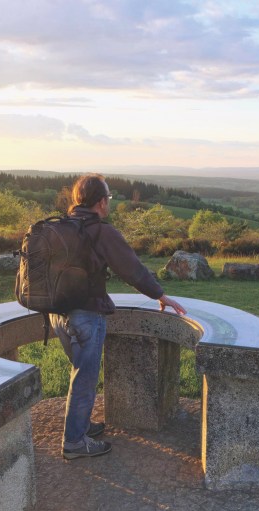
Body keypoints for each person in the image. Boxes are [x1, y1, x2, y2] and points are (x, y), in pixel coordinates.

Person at [50, 173, 186, 460]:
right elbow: (132, 269)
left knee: (80, 374)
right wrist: (160, 295)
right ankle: (74, 442)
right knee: (85, 379)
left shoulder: (60, 227)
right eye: (108, 197)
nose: (108, 203)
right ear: (101, 202)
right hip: (85, 316)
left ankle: (80, 426)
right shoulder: (101, 231)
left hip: (56, 314)